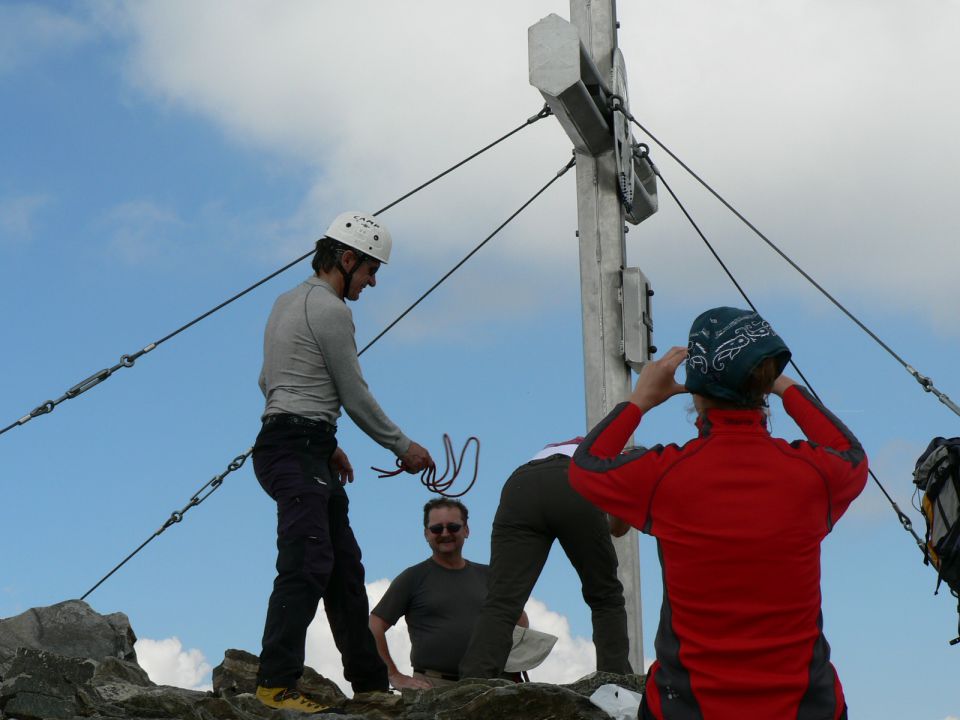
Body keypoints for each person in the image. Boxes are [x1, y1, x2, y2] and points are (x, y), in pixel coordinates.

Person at [569, 307, 867, 720]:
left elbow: (586, 466)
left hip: (689, 707)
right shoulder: (815, 476)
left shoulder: (665, 477)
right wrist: (783, 386)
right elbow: (851, 453)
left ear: (696, 391)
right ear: (763, 384)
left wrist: (641, 399)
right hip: (806, 707)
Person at [253, 211, 434, 713]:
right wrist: (403, 446)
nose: (372, 281)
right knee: (307, 562)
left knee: (343, 570)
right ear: (347, 258)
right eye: (371, 269)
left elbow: (270, 382)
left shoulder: (285, 301)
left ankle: (371, 684)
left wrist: (324, 438)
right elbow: (354, 393)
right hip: (295, 447)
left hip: (296, 443)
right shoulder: (331, 310)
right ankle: (273, 685)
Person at [458, 440, 632, 680]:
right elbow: (619, 528)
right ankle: (616, 682)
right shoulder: (631, 459)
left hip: (522, 483)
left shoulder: (588, 441)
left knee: (502, 600)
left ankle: (474, 681)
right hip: (572, 482)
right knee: (606, 596)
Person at [369, 498, 529, 689]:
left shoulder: (490, 575)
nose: (445, 533)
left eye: (453, 527)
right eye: (437, 528)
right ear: (426, 534)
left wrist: (513, 667)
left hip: (491, 686)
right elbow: (374, 625)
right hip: (434, 687)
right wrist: (393, 674)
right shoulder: (413, 577)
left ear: (466, 530)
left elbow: (519, 619)